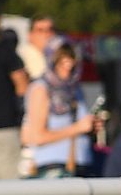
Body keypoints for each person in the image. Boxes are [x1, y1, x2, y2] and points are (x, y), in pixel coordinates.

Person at [20, 36, 94, 178]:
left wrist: (90, 128)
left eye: (72, 59)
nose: (69, 65)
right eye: (62, 60)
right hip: (53, 168)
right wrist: (78, 128)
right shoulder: (41, 89)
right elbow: (35, 137)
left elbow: (79, 125)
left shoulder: (75, 88)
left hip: (81, 164)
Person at [0, 3, 28, 179]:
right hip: (3, 129)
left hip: (1, 128)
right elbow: (21, 84)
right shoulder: (3, 49)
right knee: (9, 189)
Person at [19, 15, 55, 80]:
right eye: (40, 30)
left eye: (50, 29)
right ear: (30, 35)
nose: (47, 34)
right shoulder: (25, 56)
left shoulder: (55, 54)